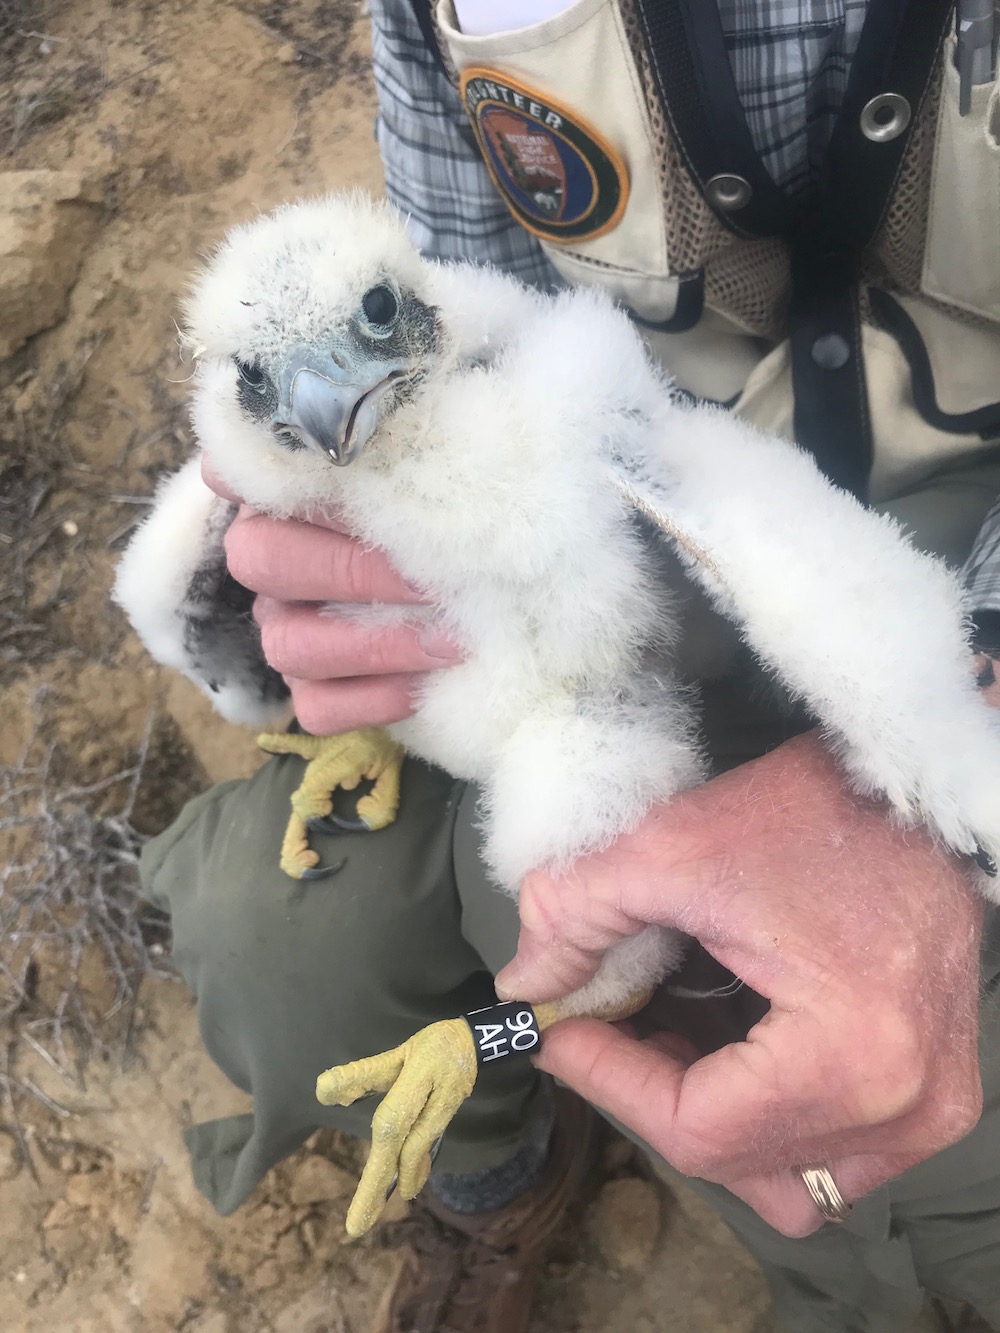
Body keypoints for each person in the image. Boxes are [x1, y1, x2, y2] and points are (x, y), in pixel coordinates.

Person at [139, 2, 1000, 1330]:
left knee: (636, 974)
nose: (320, 412)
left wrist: (952, 782)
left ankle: (500, 1050)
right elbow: (445, 278)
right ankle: (504, 1174)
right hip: (540, 648)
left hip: (880, 565)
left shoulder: (571, 419)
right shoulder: (393, 347)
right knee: (276, 940)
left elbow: (828, 605)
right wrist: (340, 671)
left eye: (369, 328)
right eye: (274, 393)